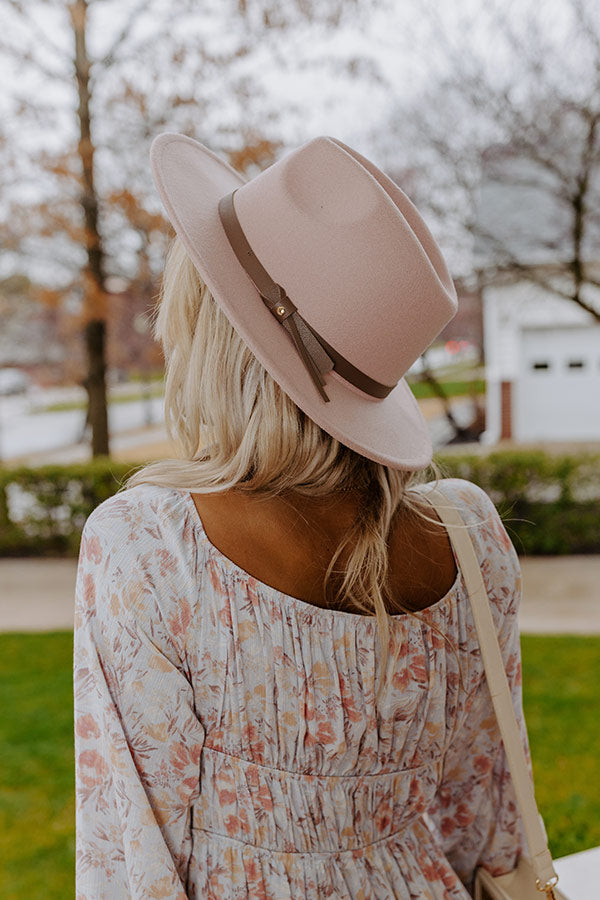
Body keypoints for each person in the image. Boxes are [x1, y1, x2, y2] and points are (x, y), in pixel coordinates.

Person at [73, 134, 529, 899]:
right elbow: (486, 820)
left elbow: (129, 855)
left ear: (213, 336)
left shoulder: (151, 548)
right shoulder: (469, 536)